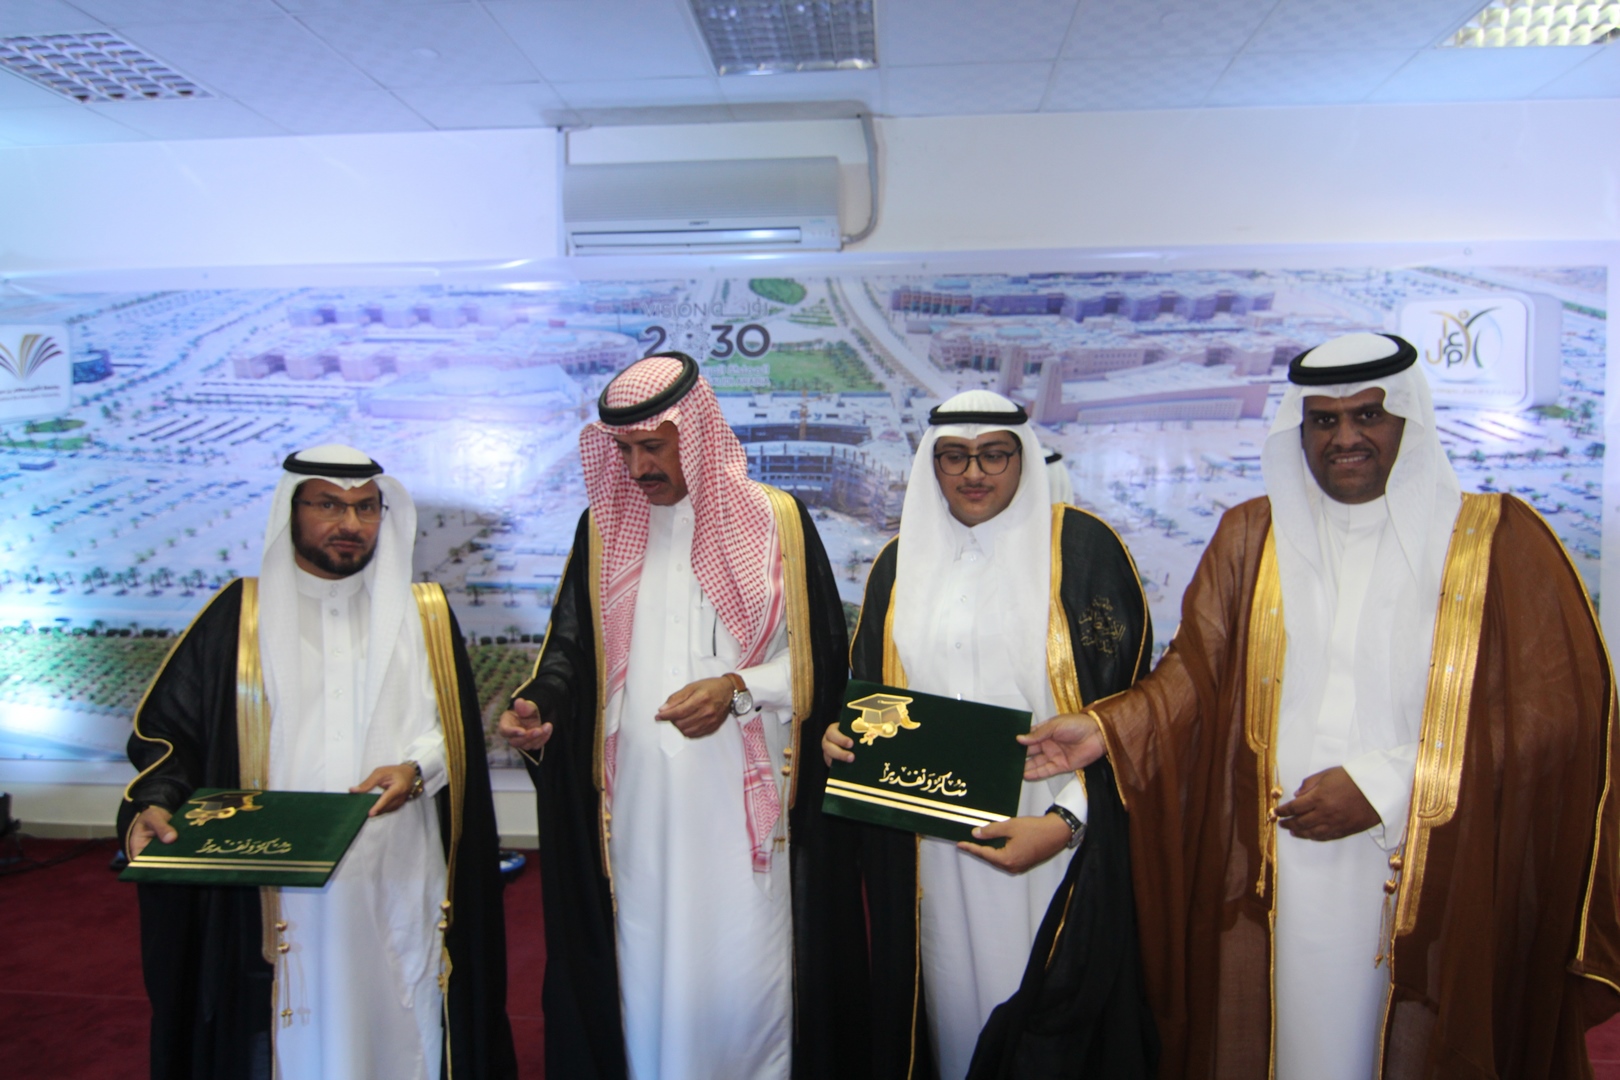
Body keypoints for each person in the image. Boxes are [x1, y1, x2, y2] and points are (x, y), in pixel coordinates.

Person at [1022, 332, 1620, 1077]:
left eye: (1368, 415)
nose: (1345, 438)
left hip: (1437, 864)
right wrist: (1105, 729)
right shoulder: (1251, 536)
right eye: (1324, 420)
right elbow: (1194, 678)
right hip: (1280, 866)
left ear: (1407, 421)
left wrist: (1386, 785)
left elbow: (1553, 717)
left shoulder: (1498, 540)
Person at [498, 352, 853, 1080]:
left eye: (653, 447)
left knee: (743, 963)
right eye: (624, 450)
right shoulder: (603, 529)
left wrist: (737, 687)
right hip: (639, 805)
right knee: (646, 956)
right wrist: (541, 704)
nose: (637, 468)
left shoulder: (776, 524)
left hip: (743, 800)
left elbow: (821, 660)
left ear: (693, 433)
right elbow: (572, 651)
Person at [119, 444, 516, 1080]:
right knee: (289, 1021)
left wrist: (418, 770)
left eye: (365, 508)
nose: (350, 523)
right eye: (328, 505)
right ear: (292, 510)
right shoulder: (238, 615)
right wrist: (155, 801)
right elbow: (172, 733)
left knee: (402, 1010)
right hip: (275, 880)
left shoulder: (425, 614)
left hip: (397, 865)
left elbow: (456, 730)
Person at [821, 390, 1158, 1079]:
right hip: (934, 845)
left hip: (1057, 833)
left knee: (1051, 1015)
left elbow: (1131, 714)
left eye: (994, 455)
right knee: (952, 1008)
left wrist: (1070, 821)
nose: (974, 473)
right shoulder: (897, 564)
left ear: (1022, 459)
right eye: (954, 457)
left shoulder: (1084, 551)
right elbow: (874, 695)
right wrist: (843, 738)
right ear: (932, 465)